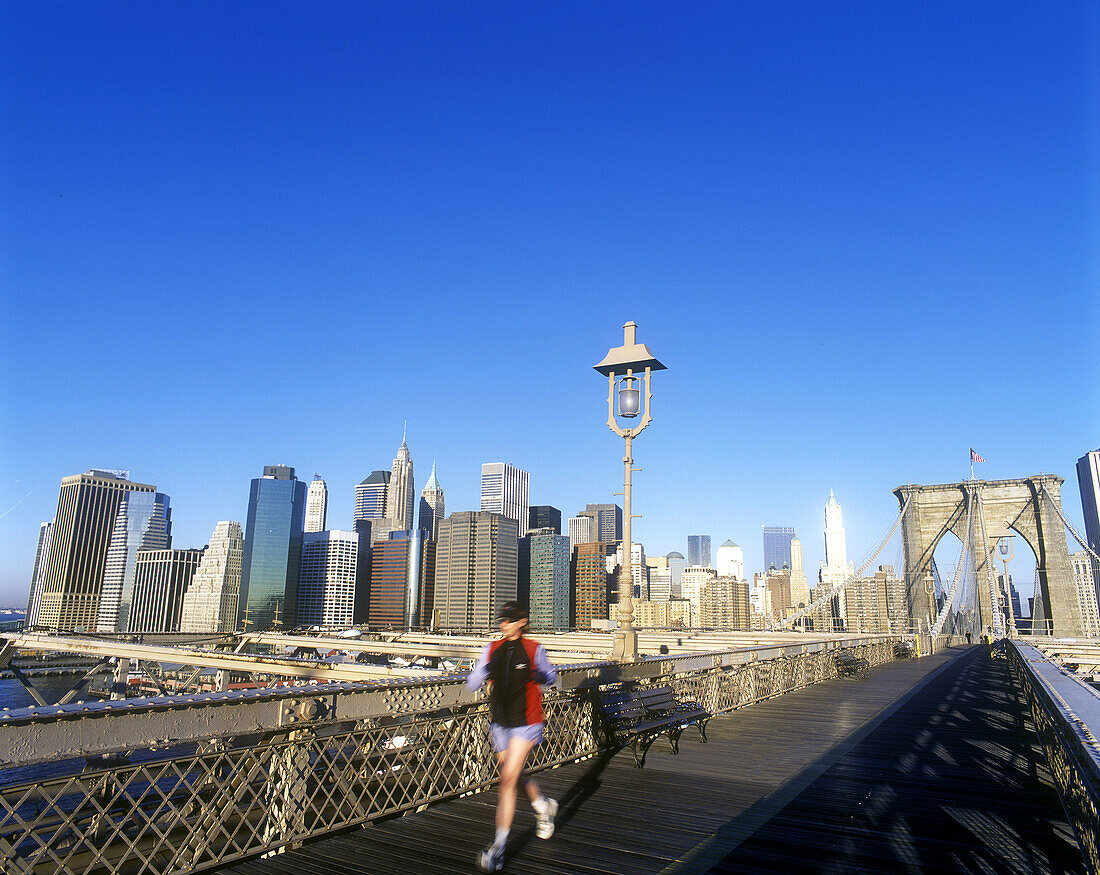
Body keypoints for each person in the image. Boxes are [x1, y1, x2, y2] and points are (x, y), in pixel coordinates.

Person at [466, 601, 559, 872]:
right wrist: (483, 671)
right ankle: (543, 806)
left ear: (521, 622)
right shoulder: (492, 649)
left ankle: (498, 850)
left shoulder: (533, 648)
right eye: (501, 620)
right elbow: (472, 681)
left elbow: (551, 676)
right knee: (513, 776)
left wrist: (537, 673)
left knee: (506, 782)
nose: (502, 624)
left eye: (508, 620)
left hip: (527, 722)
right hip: (500, 723)